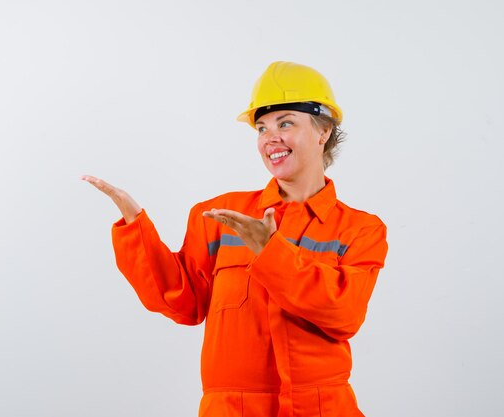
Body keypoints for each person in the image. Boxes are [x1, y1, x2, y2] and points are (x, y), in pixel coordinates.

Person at [83, 61, 388, 417]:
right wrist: (136, 226)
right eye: (261, 128)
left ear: (323, 131)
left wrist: (269, 251)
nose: (269, 138)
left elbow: (344, 313)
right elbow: (182, 301)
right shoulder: (220, 216)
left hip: (322, 408)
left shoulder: (359, 229)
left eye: (285, 123)